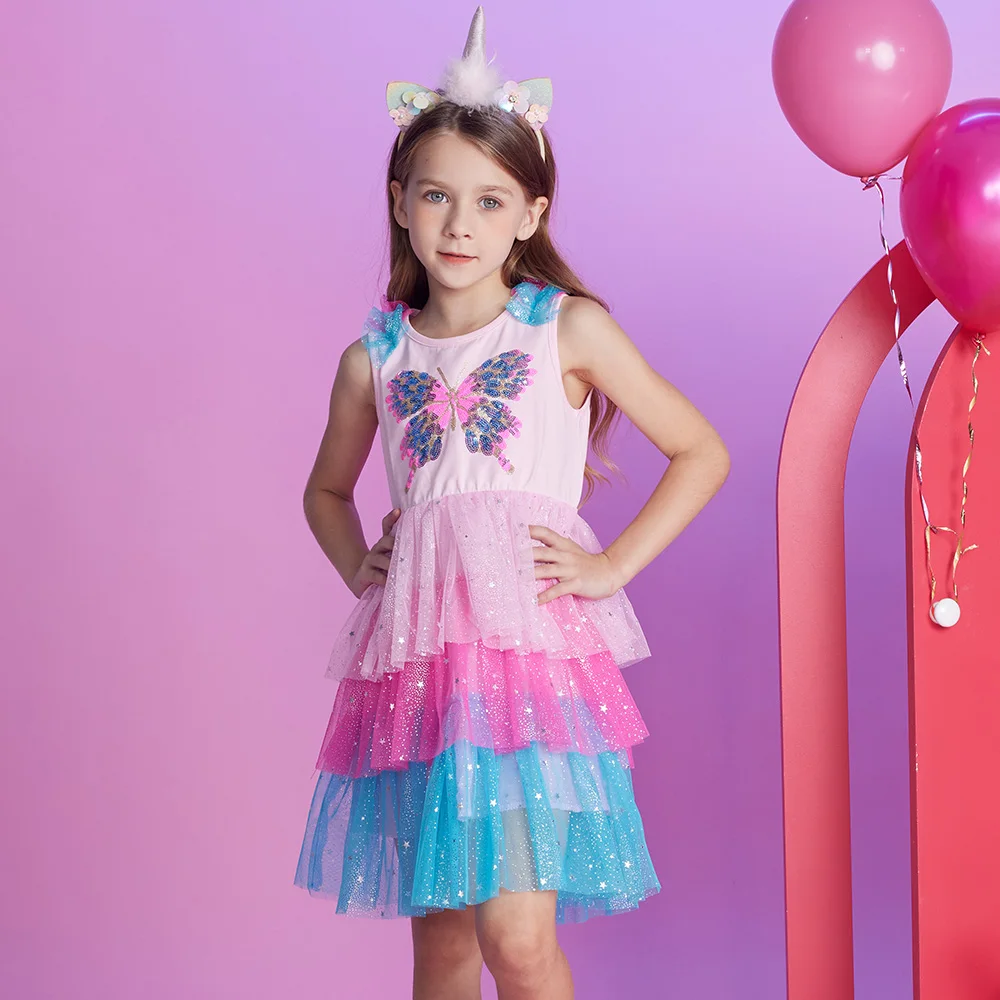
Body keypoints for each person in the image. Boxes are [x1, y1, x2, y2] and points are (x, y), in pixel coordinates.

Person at [294, 8, 730, 999]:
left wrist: (610, 566)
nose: (460, 225)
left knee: (518, 939)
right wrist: (359, 561)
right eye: (436, 196)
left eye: (490, 202)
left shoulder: (563, 329)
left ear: (530, 215)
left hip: (526, 665)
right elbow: (324, 491)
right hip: (420, 669)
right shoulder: (375, 357)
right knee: (444, 943)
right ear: (400, 202)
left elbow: (700, 450)